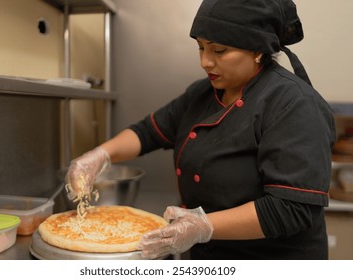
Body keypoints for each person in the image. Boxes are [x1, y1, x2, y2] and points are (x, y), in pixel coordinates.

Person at [65, 0, 336, 260]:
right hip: (208, 257)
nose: (205, 61)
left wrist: (201, 226)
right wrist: (99, 155)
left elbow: (290, 208)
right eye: (201, 47)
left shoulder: (294, 104)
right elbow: (148, 131)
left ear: (257, 50)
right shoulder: (203, 94)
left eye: (218, 50)